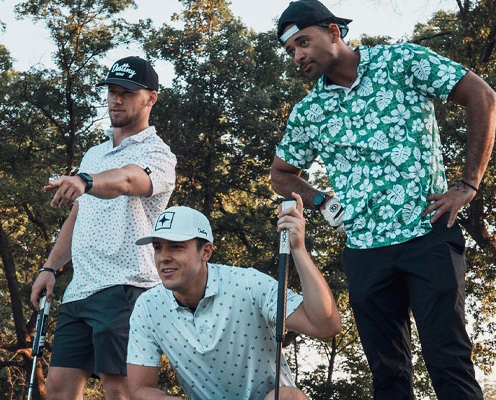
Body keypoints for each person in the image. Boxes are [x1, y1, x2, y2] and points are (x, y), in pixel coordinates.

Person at [271, 1, 496, 399]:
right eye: (291, 50)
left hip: (428, 233)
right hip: (364, 250)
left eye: (303, 42)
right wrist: (322, 200)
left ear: (334, 32)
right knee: (388, 375)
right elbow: (281, 175)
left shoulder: (401, 60)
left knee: (448, 359)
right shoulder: (309, 112)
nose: (298, 56)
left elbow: (483, 97)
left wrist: (468, 186)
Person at [30, 56, 177, 400]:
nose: (116, 99)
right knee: (59, 387)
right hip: (81, 290)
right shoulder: (93, 155)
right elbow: (78, 216)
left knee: (119, 389)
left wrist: (86, 179)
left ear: (151, 98)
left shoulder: (158, 154)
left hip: (127, 288)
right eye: (112, 91)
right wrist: (51, 267)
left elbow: (127, 180)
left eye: (126, 92)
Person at [126, 194, 341, 400]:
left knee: (289, 397)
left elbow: (325, 325)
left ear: (206, 252)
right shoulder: (148, 306)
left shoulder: (248, 284)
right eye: (157, 247)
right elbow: (140, 388)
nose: (163, 257)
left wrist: (298, 249)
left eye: (176, 247)